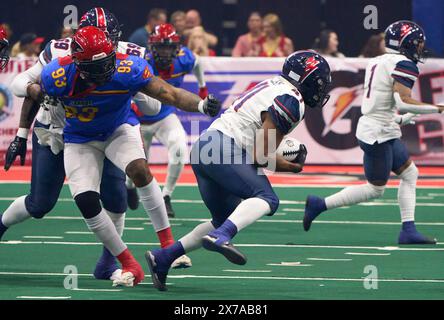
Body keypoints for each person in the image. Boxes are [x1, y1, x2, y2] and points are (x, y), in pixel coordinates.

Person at [1, 8, 201, 284]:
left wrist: (136, 89)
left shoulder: (128, 59)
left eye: (107, 39)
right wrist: (25, 127)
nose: (104, 44)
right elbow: (21, 84)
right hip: (58, 132)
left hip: (109, 128)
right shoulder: (59, 59)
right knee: (40, 203)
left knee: (117, 198)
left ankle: (111, 263)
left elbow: (155, 102)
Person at [145, 50, 332, 291]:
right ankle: (221, 236)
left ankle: (164, 258)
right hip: (223, 147)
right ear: (306, 79)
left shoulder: (273, 85)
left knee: (223, 218)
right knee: (267, 198)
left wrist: (281, 162)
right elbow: (260, 156)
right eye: (319, 83)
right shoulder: (291, 99)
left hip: (205, 147)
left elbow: (256, 153)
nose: (321, 90)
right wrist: (289, 166)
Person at [303, 21, 444, 245]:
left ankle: (408, 230)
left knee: (410, 174)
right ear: (405, 43)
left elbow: (382, 102)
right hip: (377, 133)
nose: (419, 48)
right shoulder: (404, 63)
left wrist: (398, 118)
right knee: (375, 189)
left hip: (382, 126)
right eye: (416, 43)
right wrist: (437, 109)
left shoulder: (378, 60)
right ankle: (320, 204)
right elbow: (403, 101)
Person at [126, 24, 208, 217]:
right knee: (136, 165)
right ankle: (128, 186)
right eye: (161, 47)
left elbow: (198, 63)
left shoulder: (184, 58)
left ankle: (166, 196)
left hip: (164, 116)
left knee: (179, 149)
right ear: (151, 47)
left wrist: (202, 87)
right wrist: (131, 102)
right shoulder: (141, 61)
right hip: (138, 120)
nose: (164, 51)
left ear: (176, 47)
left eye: (168, 47)